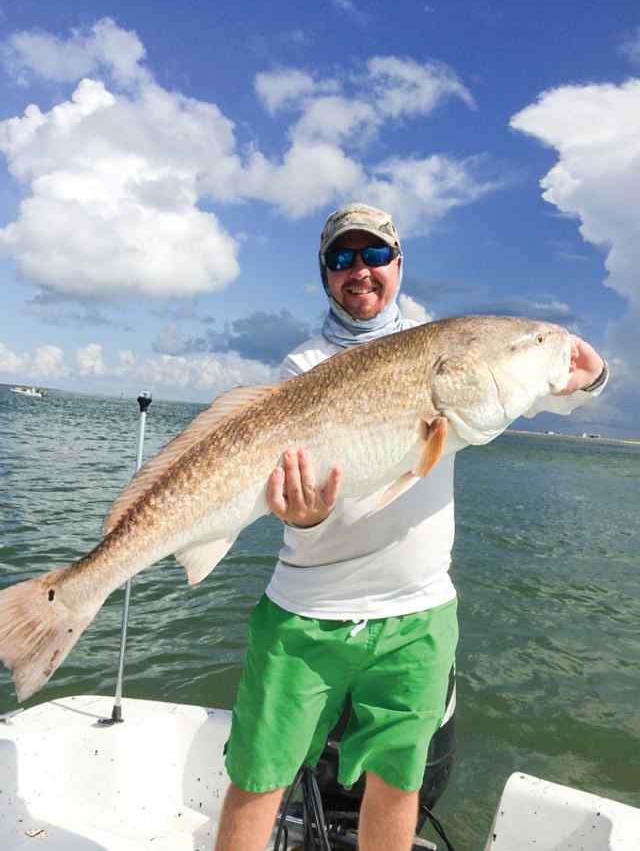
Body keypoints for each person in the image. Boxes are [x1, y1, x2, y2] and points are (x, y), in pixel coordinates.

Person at [214, 203, 608, 851]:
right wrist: (303, 514)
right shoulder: (303, 364)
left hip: (418, 615)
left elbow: (555, 388)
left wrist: (591, 375)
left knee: (398, 785)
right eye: (341, 258)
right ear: (324, 272)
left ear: (399, 264)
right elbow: (296, 494)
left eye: (374, 255)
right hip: (306, 612)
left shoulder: (448, 345)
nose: (359, 270)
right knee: (259, 777)